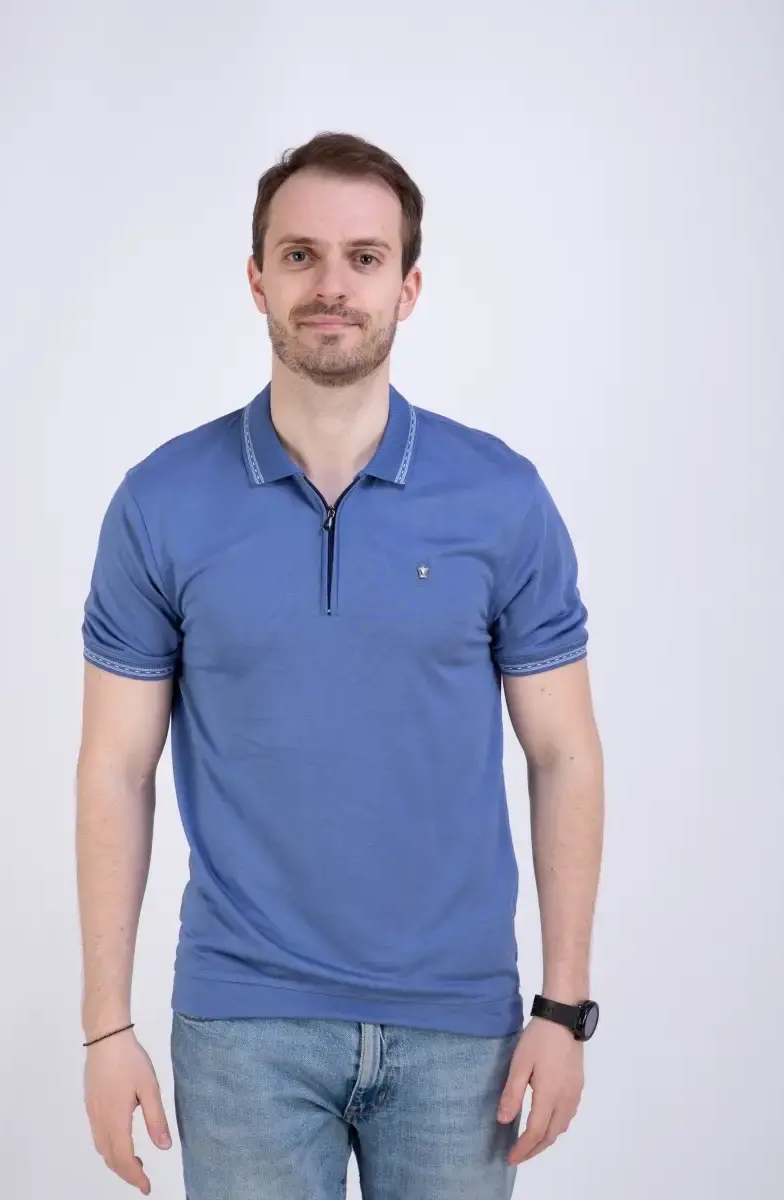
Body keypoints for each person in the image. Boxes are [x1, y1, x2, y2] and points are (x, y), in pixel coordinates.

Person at [76, 130, 605, 1199]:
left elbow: (564, 755)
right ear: (256, 280)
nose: (331, 285)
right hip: (243, 1025)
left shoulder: (501, 499)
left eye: (364, 258)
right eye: (301, 254)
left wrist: (562, 1007)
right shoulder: (161, 503)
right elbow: (115, 769)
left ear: (408, 288)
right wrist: (104, 1027)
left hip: (461, 1029)